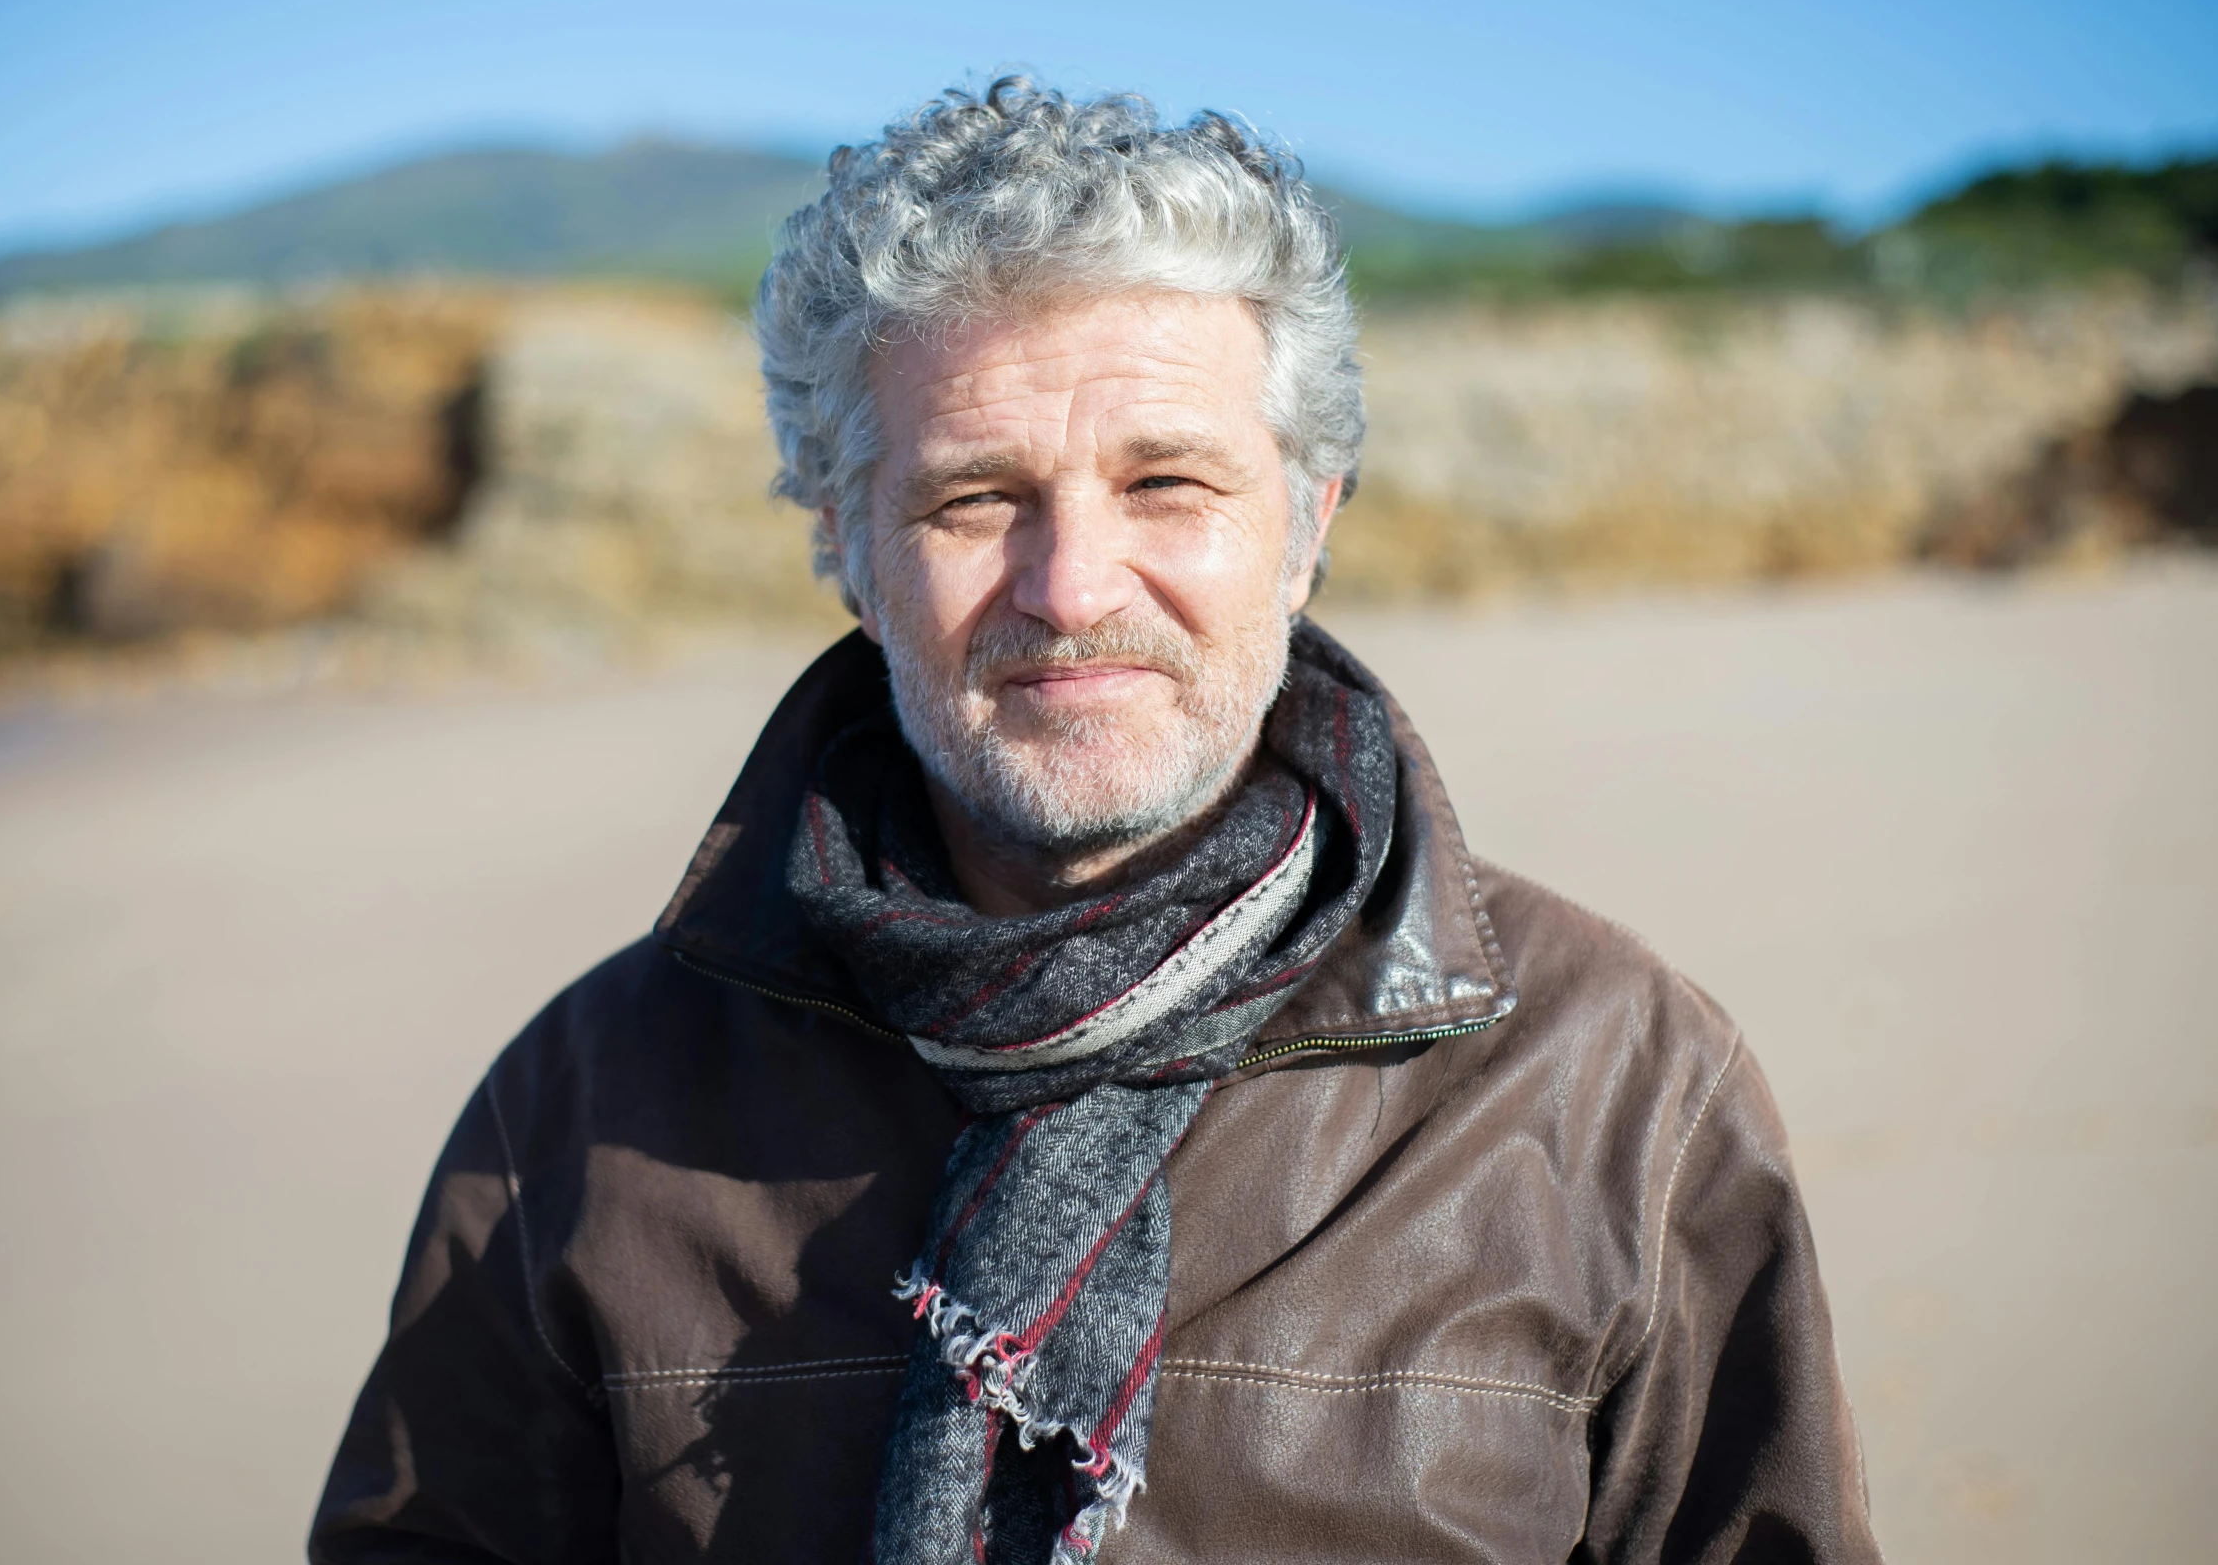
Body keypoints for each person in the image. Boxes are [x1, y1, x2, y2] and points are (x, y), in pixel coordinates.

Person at [311, 77, 1880, 1565]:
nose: (1070, 589)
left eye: (1169, 485)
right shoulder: (586, 1115)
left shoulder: (1613, 1082)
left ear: (1306, 527)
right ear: (848, 545)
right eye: (972, 498)